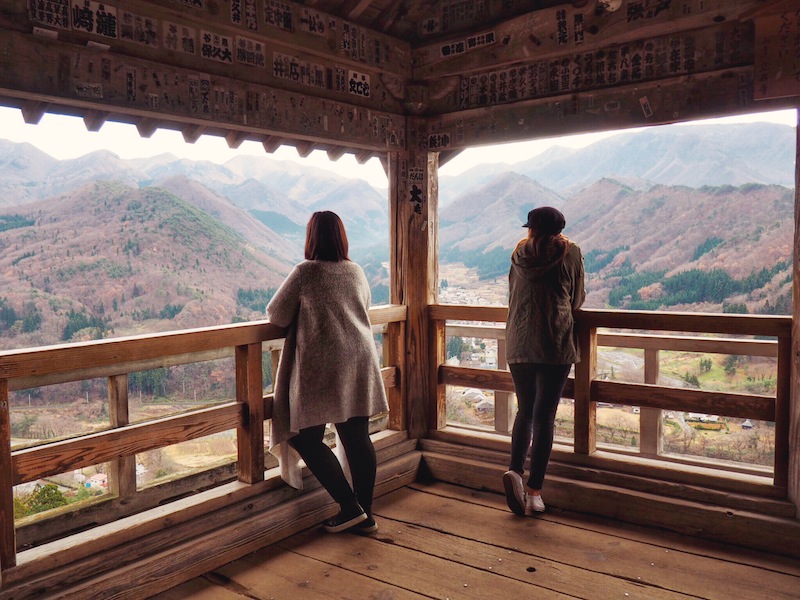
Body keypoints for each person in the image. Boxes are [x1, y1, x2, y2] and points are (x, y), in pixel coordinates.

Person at [267, 211, 388, 534]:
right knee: (357, 438)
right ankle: (366, 513)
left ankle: (350, 507)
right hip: (360, 359)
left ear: (311, 238)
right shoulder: (356, 271)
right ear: (342, 237)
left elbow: (276, 315)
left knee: (305, 439)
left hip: (324, 364)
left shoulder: (306, 272)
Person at [502, 206, 585, 516]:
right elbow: (576, 298)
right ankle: (535, 491)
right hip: (554, 340)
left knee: (524, 410)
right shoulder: (571, 251)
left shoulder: (519, 252)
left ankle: (514, 472)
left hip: (519, 339)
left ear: (530, 228)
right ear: (560, 227)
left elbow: (512, 293)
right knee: (544, 416)